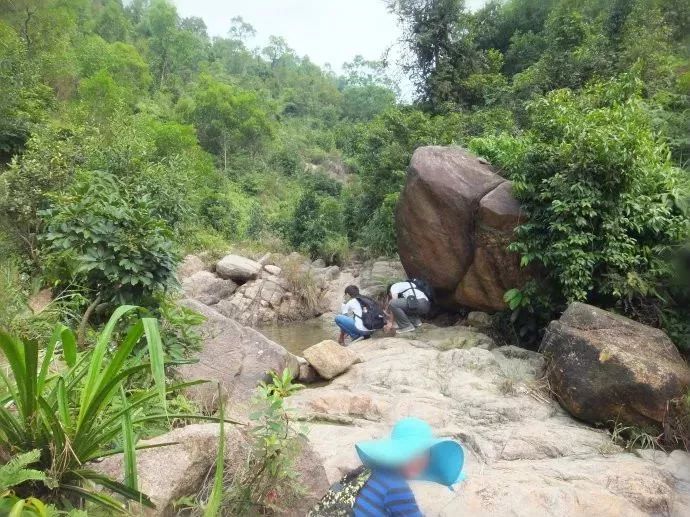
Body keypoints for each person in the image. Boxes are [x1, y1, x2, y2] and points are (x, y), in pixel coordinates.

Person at [307, 418, 465, 516]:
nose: (418, 459)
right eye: (411, 453)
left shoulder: (366, 471)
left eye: (424, 454)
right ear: (396, 453)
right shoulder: (397, 488)